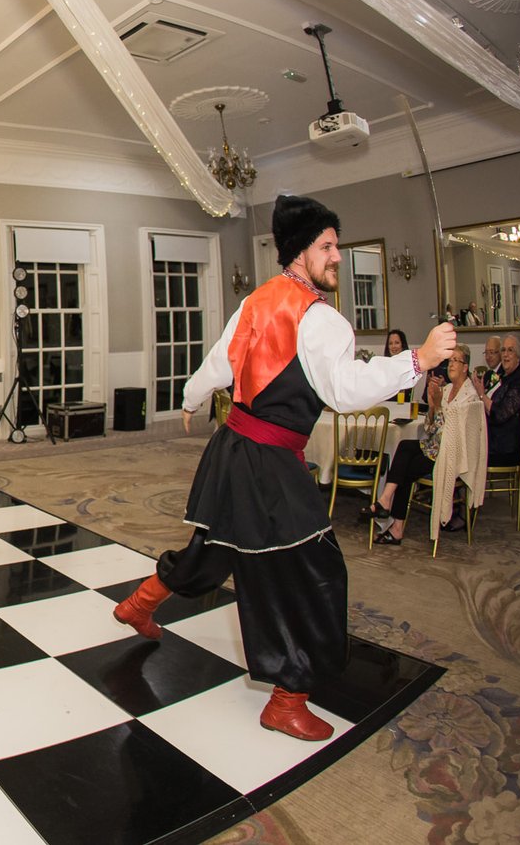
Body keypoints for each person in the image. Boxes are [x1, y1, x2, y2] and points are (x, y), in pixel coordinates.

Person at [112, 195, 454, 741]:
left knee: (216, 548)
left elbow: (219, 361)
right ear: (299, 252)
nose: (337, 256)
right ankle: (287, 698)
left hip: (232, 449)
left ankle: (138, 604)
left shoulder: (257, 301)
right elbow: (344, 391)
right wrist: (420, 359)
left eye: (336, 245)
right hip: (267, 462)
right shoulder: (321, 320)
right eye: (327, 246)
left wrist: (190, 397)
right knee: (317, 572)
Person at [360, 344, 479, 543]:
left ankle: (392, 517)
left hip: (450, 454)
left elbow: (453, 435)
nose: (450, 365)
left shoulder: (470, 396)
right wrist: (433, 408)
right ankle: (386, 500)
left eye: (455, 361)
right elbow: (431, 429)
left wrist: (438, 407)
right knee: (405, 446)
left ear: (465, 367)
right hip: (435, 447)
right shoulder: (447, 389)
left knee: (406, 468)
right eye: (449, 361)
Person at [478, 332, 520, 473]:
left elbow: (499, 414)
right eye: (503, 350)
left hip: (503, 448)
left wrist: (482, 395)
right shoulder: (503, 376)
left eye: (510, 350)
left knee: (463, 450)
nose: (505, 354)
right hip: (491, 438)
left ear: (519, 355)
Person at [384, 329, 411, 402]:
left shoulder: (408, 366)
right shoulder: (383, 365)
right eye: (390, 343)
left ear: (402, 345)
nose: (393, 346)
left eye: (397, 343)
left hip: (403, 404)